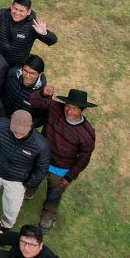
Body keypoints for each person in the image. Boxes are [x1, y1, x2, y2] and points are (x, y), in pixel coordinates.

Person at [29, 88, 97, 233]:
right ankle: (30, 189)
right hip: (41, 158)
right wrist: (42, 93)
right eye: (67, 106)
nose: (69, 111)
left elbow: (83, 160)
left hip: (61, 169)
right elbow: (33, 101)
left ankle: (48, 214)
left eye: (75, 108)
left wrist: (69, 177)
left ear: (82, 110)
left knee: (54, 195)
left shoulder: (87, 134)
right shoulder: (55, 108)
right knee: (33, 178)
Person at [0, 110, 51, 229]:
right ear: (10, 121)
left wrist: (28, 184)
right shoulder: (1, 124)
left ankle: (6, 225)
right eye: (15, 129)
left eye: (22, 130)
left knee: (11, 207)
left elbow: (41, 169)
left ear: (31, 126)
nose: (18, 133)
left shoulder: (41, 145)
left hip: (17, 180)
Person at [0, 0, 57, 69]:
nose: (17, 13)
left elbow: (52, 41)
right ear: (11, 7)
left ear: (28, 12)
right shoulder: (2, 14)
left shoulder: (33, 25)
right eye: (15, 9)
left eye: (21, 11)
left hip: (15, 66)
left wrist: (45, 34)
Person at [1, 55, 48, 123]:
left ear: (40, 74)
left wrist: (26, 126)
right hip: (1, 116)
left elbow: (40, 117)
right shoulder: (12, 74)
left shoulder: (42, 95)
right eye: (25, 71)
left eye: (32, 73)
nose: (27, 75)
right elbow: (1, 90)